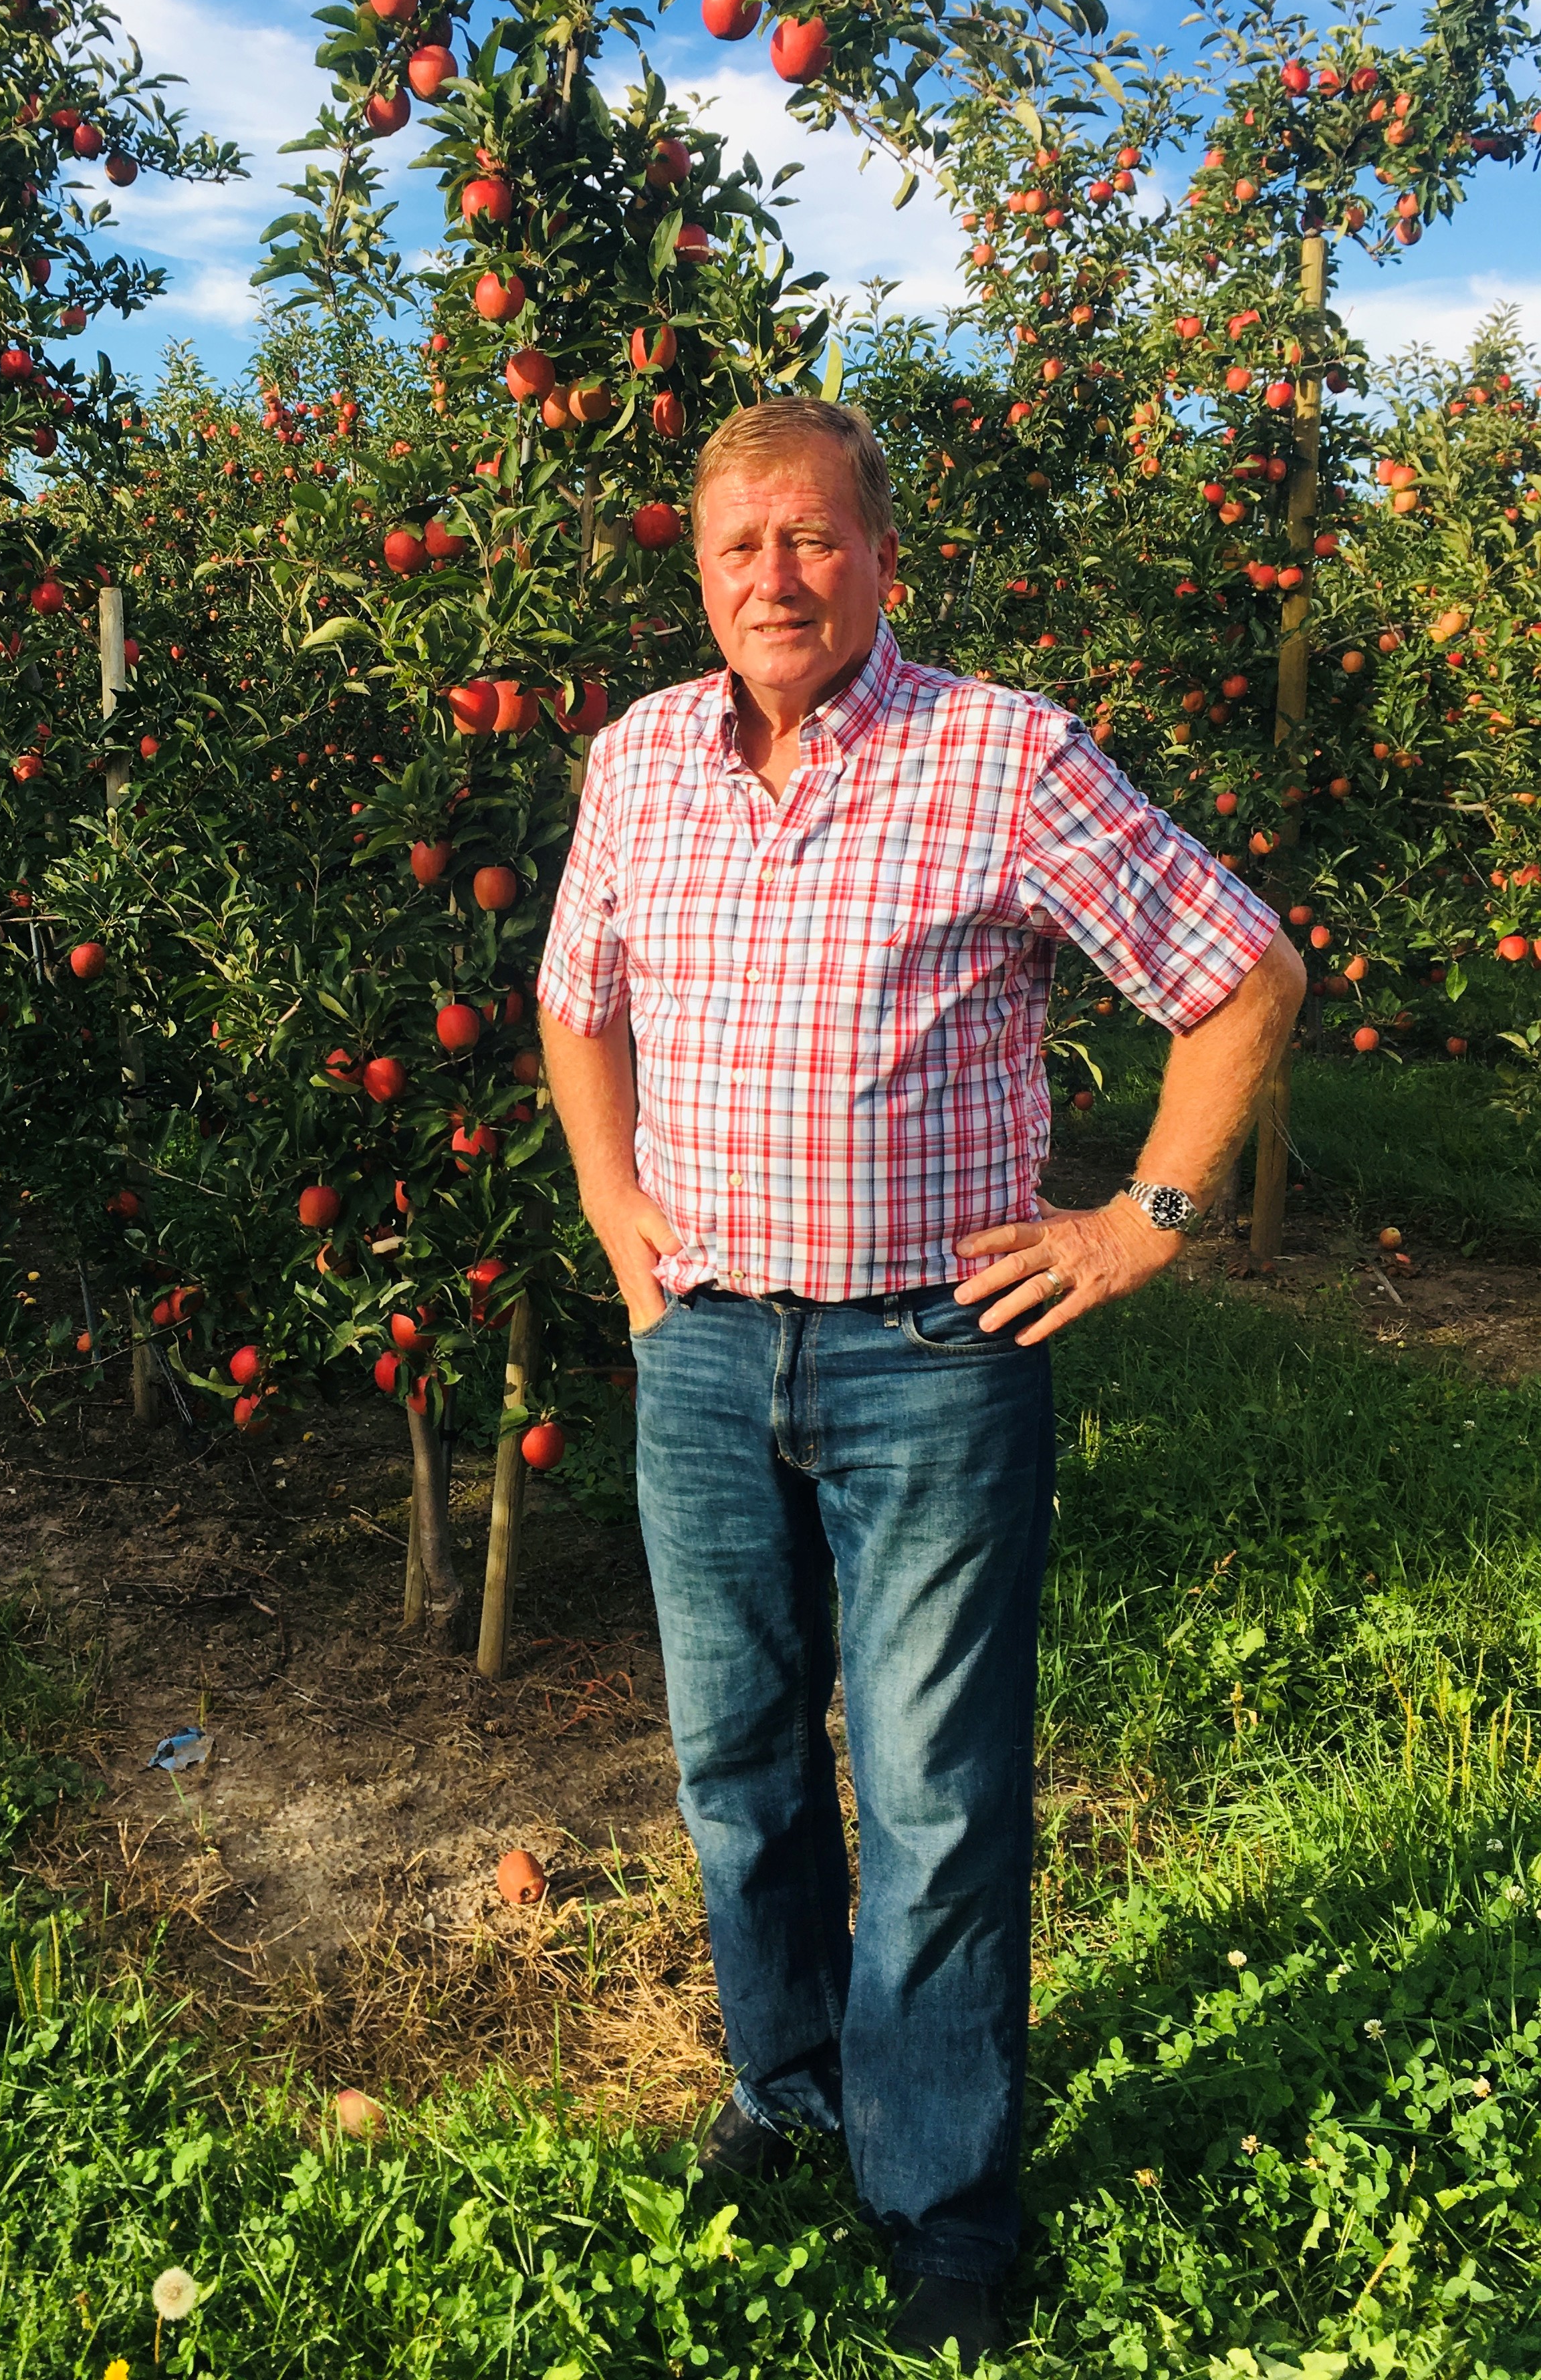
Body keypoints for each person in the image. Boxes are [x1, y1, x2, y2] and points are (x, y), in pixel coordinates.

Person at [536, 399, 1304, 2367]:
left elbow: (1244, 972)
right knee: (736, 1769)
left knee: (939, 1796)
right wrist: (620, 1216)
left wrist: (1144, 1220)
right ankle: (785, 2098)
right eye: (736, 551)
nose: (771, 581)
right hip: (701, 1349)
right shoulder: (637, 762)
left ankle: (943, 2188)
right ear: (696, 574)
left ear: (882, 558)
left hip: (927, 1358)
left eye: (808, 542)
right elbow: (575, 1002)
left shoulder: (1005, 756)